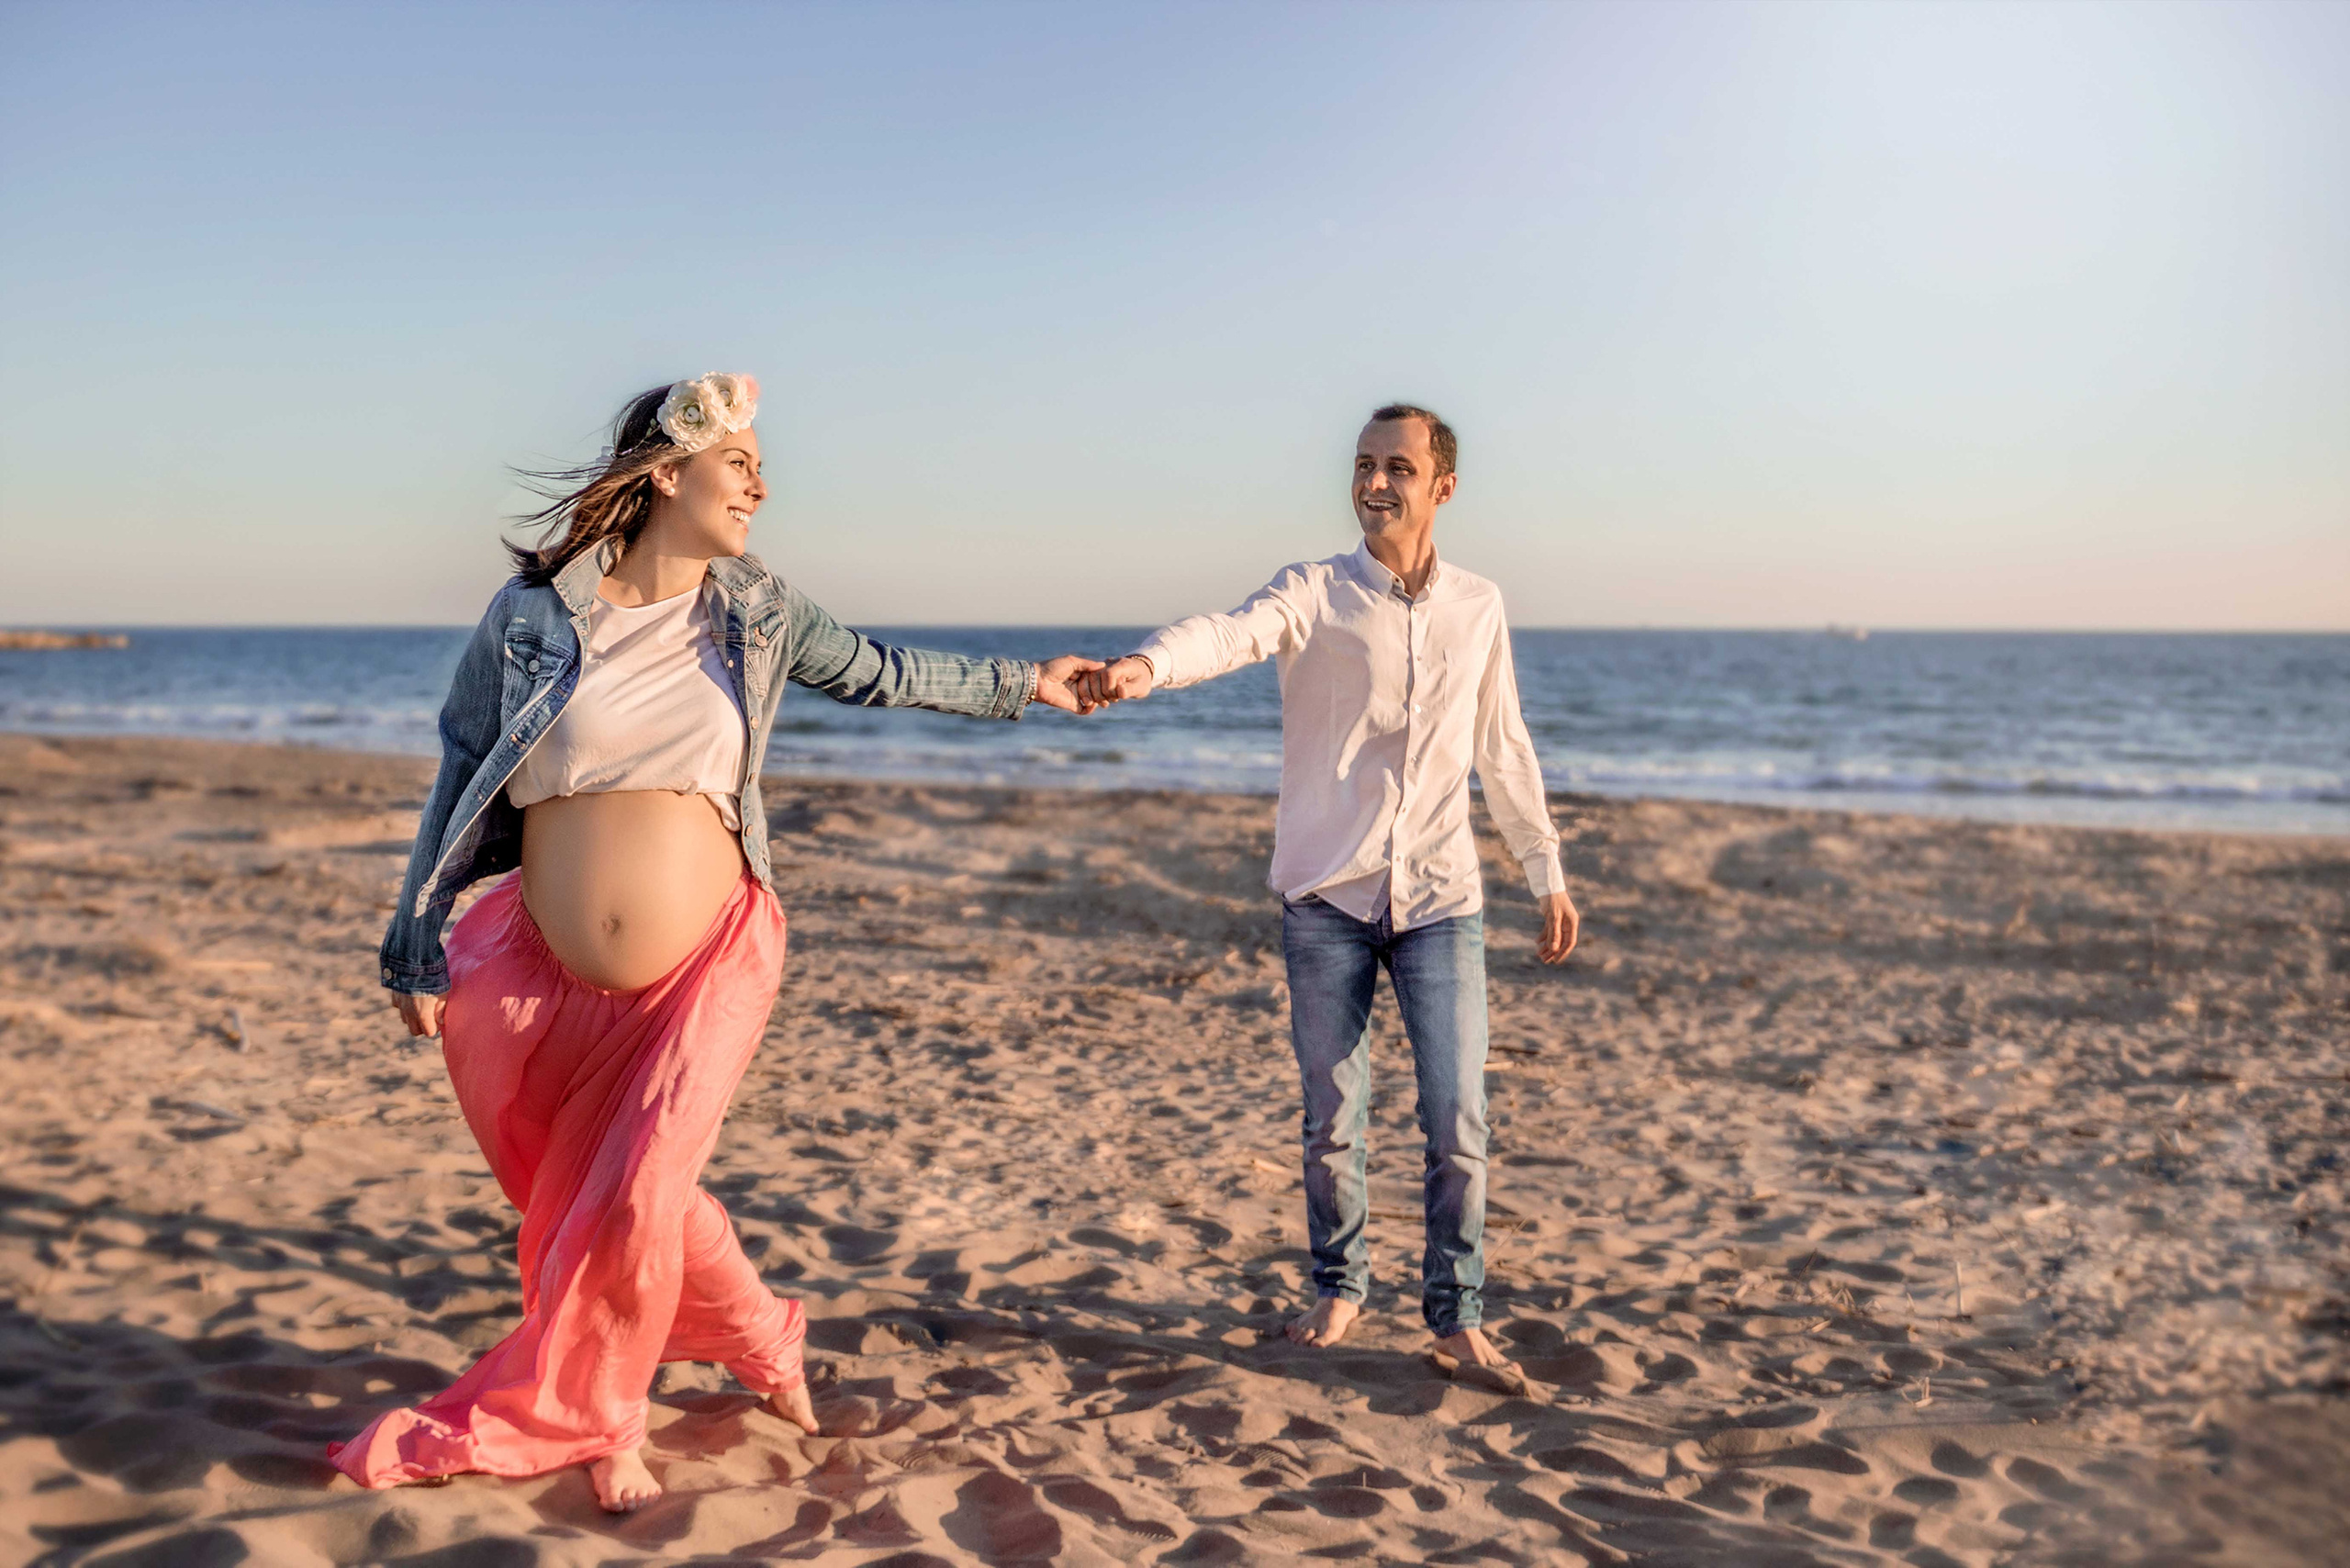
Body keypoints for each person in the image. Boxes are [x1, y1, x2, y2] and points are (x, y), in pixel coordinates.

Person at [332, 374, 1102, 1510]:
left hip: (708, 964)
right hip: (535, 971)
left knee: (636, 1192)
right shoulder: (533, 618)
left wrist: (1021, 684)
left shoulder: (758, 610)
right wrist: (412, 934)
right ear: (665, 471)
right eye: (739, 462)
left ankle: (610, 1418)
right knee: (612, 1190)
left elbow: (882, 673)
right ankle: (764, 1337)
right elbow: (459, 764)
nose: (761, 484)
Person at [1072, 404, 1578, 1369]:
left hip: (1440, 898)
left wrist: (1542, 868)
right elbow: (1228, 634)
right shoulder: (1312, 590)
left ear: (1442, 488)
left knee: (1459, 1121)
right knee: (1330, 1121)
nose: (1375, 482)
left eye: (1397, 466)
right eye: (1362, 464)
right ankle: (1339, 1290)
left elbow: (1500, 744)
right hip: (1324, 898)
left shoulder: (1479, 605)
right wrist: (1144, 667)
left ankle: (1455, 1317)